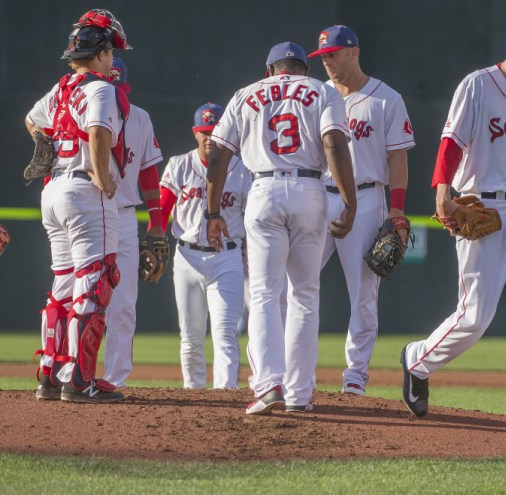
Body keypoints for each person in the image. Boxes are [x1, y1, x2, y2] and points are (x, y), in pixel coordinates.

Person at [401, 19, 506, 446]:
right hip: (484, 207)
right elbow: (451, 141)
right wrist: (442, 191)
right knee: (475, 317)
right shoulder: (477, 85)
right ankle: (418, 360)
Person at [206, 42, 357, 414]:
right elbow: (334, 144)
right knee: (305, 294)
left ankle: (268, 384)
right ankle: (300, 395)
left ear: (269, 69)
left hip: (264, 190)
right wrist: (349, 200)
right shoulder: (322, 90)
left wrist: (212, 212)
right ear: (304, 67)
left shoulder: (247, 93)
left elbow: (218, 153)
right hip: (310, 190)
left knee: (263, 294)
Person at [25, 9, 131, 403]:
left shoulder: (62, 88)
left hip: (53, 191)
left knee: (64, 286)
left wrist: (43, 141)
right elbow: (99, 132)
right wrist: (103, 178)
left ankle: (50, 373)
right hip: (84, 191)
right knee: (95, 282)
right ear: (102, 53)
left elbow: (31, 121)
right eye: (111, 50)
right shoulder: (101, 88)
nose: (113, 58)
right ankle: (81, 379)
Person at [308, 25, 415, 397]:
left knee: (364, 292)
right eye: (322, 57)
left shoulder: (386, 99)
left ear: (353, 52)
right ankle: (298, 370)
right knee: (299, 284)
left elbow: (397, 159)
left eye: (332, 55)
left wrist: (397, 210)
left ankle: (355, 376)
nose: (327, 63)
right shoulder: (317, 96)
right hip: (317, 195)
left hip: (368, 197)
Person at [160, 103, 250, 389]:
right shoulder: (179, 164)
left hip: (228, 257)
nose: (210, 137)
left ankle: (225, 397)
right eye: (204, 131)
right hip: (187, 256)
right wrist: (156, 237)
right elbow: (162, 208)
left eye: (215, 131)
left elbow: (251, 217)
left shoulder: (243, 168)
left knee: (224, 335)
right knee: (191, 337)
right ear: (195, 133)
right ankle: (194, 398)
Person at [102, 58, 165, 388]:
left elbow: (148, 171)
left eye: (118, 88)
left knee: (124, 302)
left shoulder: (139, 118)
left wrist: (156, 222)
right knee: (82, 296)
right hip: (90, 211)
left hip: (125, 215)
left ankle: (115, 379)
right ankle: (69, 372)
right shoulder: (82, 112)